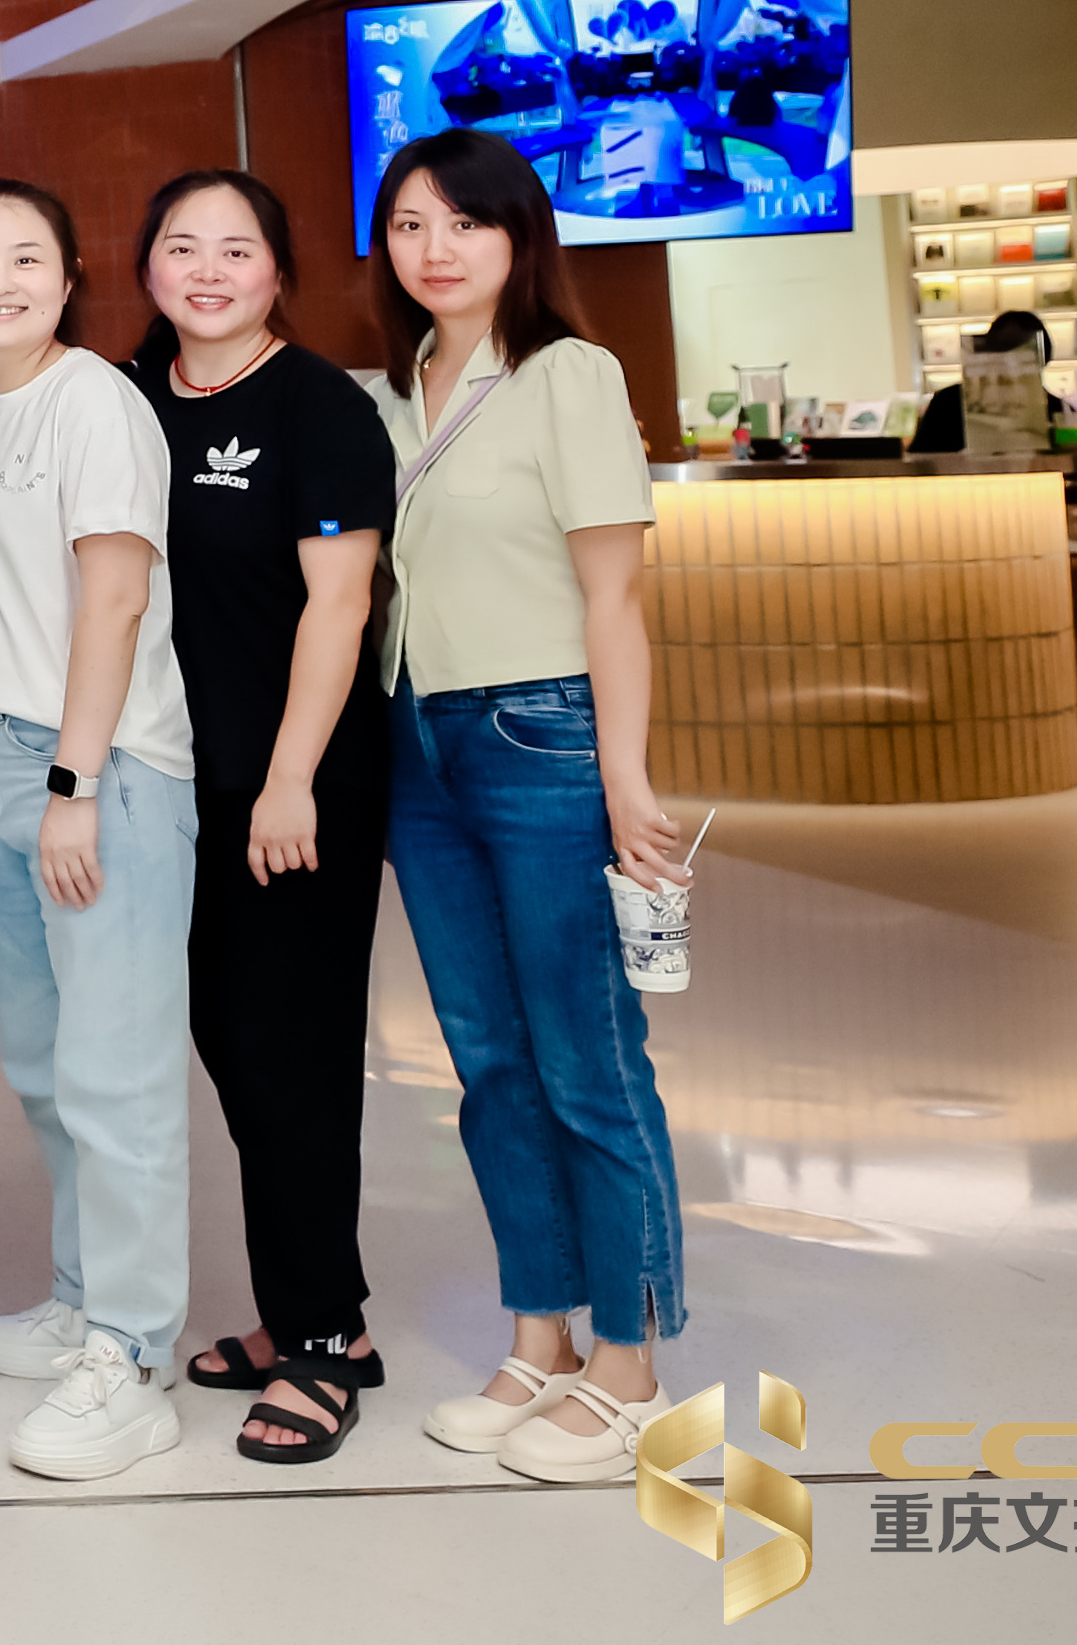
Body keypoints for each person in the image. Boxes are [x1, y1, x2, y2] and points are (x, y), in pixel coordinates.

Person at [365, 129, 692, 1486]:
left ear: (519, 237)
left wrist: (625, 775)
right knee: (489, 1060)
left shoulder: (568, 374)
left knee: (585, 1056)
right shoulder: (392, 391)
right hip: (415, 741)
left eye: (465, 223)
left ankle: (631, 1363)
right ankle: (540, 1335)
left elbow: (614, 595)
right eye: (408, 224)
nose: (435, 249)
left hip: (539, 729)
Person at [122, 172, 394, 1464]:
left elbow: (340, 606)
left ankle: (323, 1340)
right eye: (184, 247)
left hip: (295, 789)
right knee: (233, 1048)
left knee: (292, 1060)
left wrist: (290, 777)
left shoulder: (319, 407)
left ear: (280, 272)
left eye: (238, 249)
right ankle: (309, 1305)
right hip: (177, 783)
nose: (209, 271)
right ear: (147, 268)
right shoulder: (128, 398)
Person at [0, 177, 195, 1482]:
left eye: (25, 258)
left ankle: (135, 1358)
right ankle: (86, 1298)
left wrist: (74, 782)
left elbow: (114, 601)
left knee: (117, 1072)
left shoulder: (96, 401)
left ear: (71, 273)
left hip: (100, 765)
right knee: (41, 1064)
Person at [912, 310, 1077, 748]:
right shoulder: (952, 403)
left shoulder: (1054, 410)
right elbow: (919, 466)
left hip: (1017, 535)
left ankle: (1076, 711)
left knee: (1044, 623)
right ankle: (1070, 714)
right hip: (962, 533)